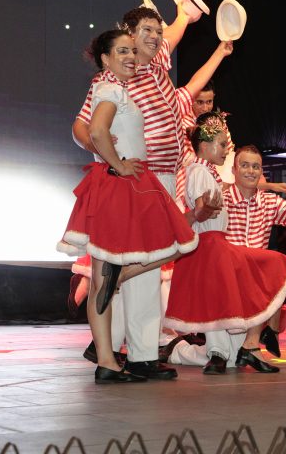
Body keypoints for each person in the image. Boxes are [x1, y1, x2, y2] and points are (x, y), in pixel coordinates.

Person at [70, 5, 232, 380]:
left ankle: (141, 354)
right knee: (139, 260)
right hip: (136, 180)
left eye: (158, 32)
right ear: (127, 34)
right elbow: (82, 127)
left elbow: (176, 53)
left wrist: (190, 25)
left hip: (161, 179)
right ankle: (109, 345)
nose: (155, 38)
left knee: (151, 270)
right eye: (145, 31)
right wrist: (107, 156)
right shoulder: (112, 78)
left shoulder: (157, 70)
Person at [56, 30, 198, 383]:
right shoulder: (109, 87)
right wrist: (117, 163)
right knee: (106, 277)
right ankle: (106, 360)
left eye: (132, 52)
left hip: (126, 186)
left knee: (129, 265)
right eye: (123, 51)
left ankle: (108, 358)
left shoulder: (116, 87)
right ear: (105, 58)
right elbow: (98, 130)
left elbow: (101, 130)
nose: (131, 57)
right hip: (117, 186)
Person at [162, 145, 286, 369]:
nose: (250, 171)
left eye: (256, 167)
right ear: (233, 170)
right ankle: (179, 350)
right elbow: (193, 229)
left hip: (252, 288)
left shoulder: (270, 203)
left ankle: (249, 344)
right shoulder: (220, 198)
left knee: (271, 263)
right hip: (223, 286)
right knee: (228, 358)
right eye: (244, 165)